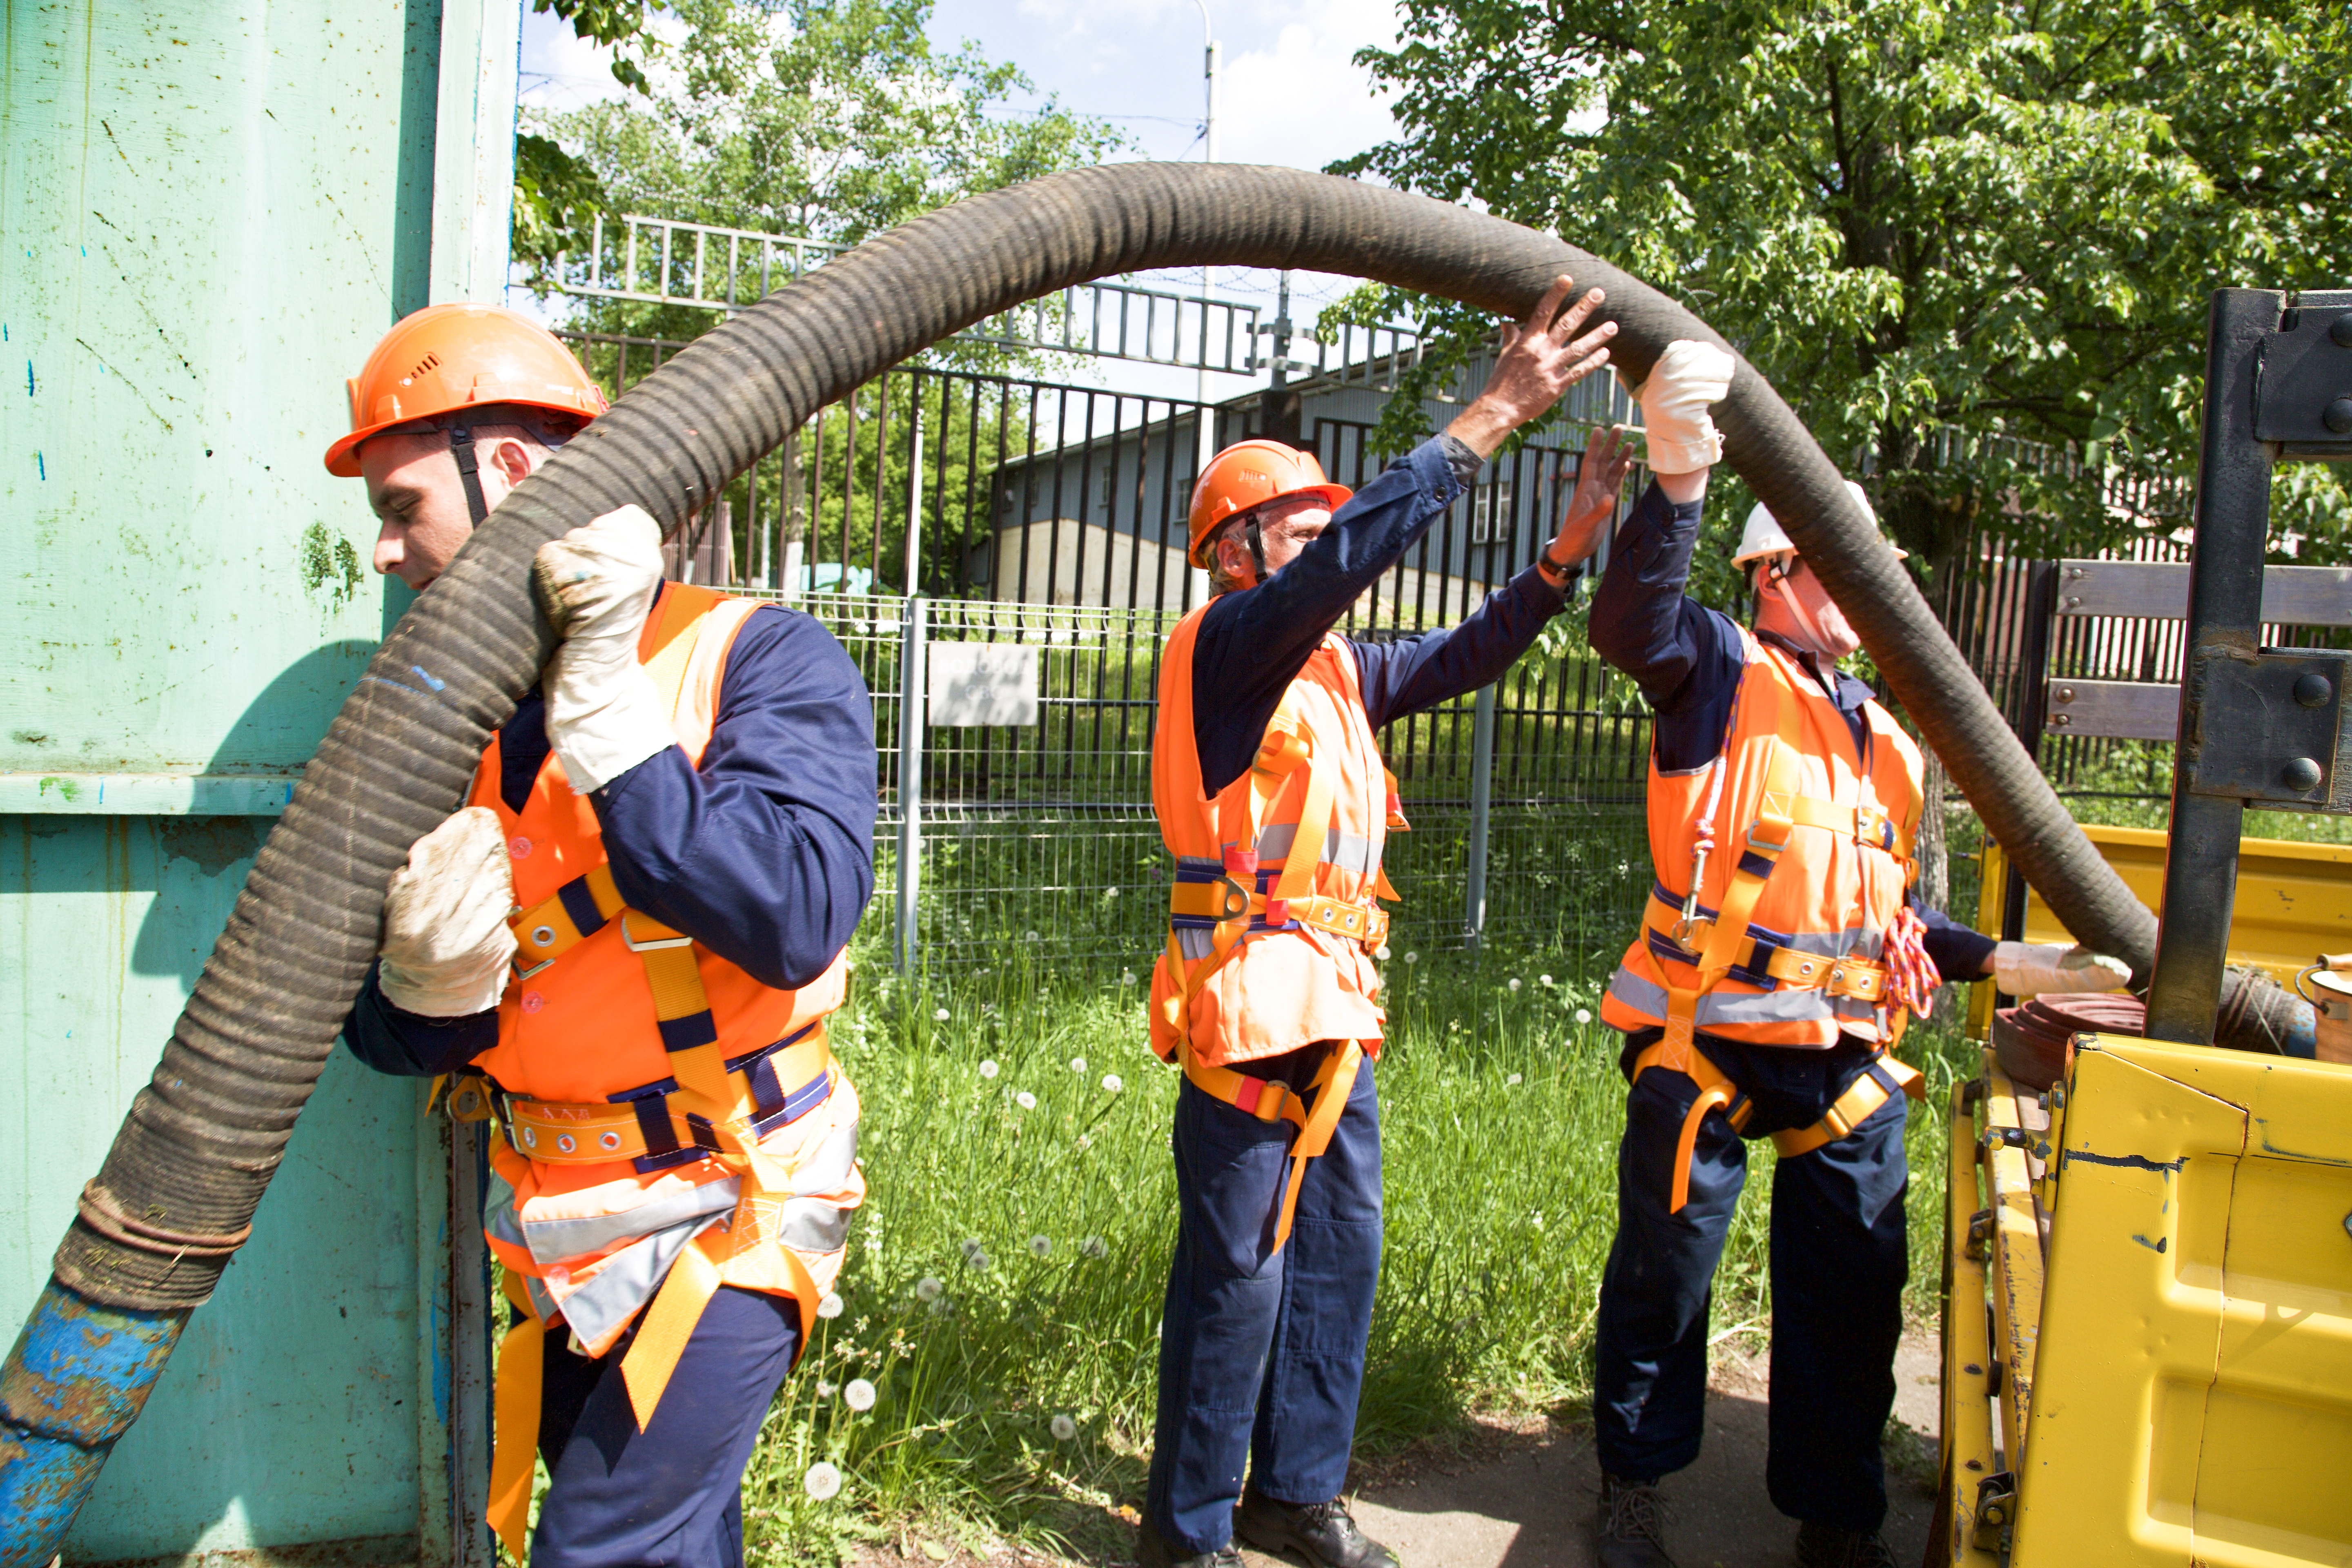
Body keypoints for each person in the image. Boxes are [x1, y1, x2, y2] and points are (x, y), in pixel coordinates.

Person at [326, 303, 878, 1566]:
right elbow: (370, 1036)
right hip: (558, 1236)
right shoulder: (438, 724)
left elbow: (795, 911)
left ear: (509, 473)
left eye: (402, 508)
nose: (387, 554)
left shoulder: (756, 657)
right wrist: (428, 989)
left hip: (727, 1203)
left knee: (602, 1551)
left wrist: (614, 726)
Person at [1581, 343, 2129, 1568]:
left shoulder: (1888, 735)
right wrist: (1678, 475)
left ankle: (1836, 1515)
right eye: (1844, 569)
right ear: (1776, 570)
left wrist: (2018, 966)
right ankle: (1631, 1486)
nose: (1868, 592)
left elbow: (1896, 914)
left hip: (1842, 1056)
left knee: (1856, 1289)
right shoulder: (1718, 668)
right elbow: (1630, 625)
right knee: (1667, 1281)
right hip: (1704, 1037)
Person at [1143, 276, 1630, 1568]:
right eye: (1302, 531)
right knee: (1238, 1279)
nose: (1330, 545)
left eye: (1324, 525)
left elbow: (1467, 652)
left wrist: (1565, 553)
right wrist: (1490, 417)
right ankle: (1186, 1537)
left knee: (1337, 1261)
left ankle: (1295, 1495)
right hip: (1250, 1013)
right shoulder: (1225, 649)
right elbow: (1357, 560)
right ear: (1238, 557)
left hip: (1338, 1014)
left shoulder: (1337, 671)